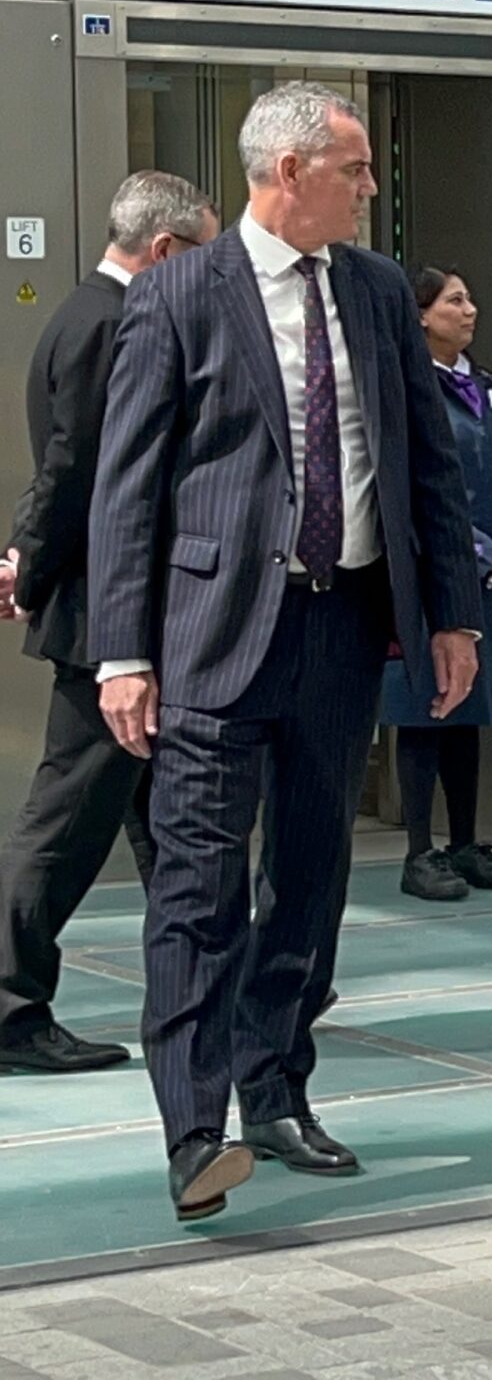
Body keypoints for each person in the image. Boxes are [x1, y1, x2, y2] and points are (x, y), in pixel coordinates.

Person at [87, 81, 485, 1221]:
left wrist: (448, 614)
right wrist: (124, 650)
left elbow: (427, 466)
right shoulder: (177, 296)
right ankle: (192, 1126)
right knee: (199, 886)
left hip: (342, 625)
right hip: (211, 636)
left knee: (310, 878)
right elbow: (127, 489)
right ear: (287, 173)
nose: (370, 187)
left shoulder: (369, 290)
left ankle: (276, 1087)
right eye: (353, 169)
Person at [0, 172, 216, 1076]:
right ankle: (10, 1006)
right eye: (205, 255)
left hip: (120, 620)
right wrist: (29, 563)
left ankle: (216, 988)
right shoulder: (112, 324)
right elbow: (77, 470)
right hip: (106, 628)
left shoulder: (86, 313)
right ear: (164, 253)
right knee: (63, 826)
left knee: (177, 826)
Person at [382, 266, 492, 901]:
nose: (470, 309)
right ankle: (418, 851)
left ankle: (465, 843)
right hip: (430, 577)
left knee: (470, 710)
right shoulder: (407, 389)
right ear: (421, 315)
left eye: (469, 296)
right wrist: (477, 552)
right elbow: (417, 491)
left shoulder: (489, 387)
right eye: (455, 299)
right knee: (425, 709)